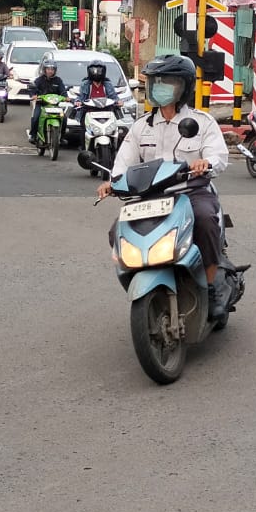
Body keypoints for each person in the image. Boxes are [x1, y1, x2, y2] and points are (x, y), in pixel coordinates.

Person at [98, 54, 232, 320]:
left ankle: (211, 286)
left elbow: (218, 156)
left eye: (167, 81)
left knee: (206, 221)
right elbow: (123, 164)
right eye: (156, 81)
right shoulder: (141, 127)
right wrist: (112, 183)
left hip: (190, 191)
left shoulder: (202, 122)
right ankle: (141, 277)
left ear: (184, 86)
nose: (159, 87)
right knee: (117, 232)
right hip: (149, 196)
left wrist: (205, 162)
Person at [26, 57, 69, 143]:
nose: (50, 71)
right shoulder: (39, 80)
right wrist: (33, 95)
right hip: (41, 104)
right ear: (44, 70)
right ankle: (33, 135)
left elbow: (63, 91)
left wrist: (66, 97)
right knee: (36, 117)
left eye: (52, 69)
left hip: (54, 105)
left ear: (55, 70)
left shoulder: (58, 80)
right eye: (48, 69)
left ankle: (61, 137)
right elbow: (33, 89)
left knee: (64, 118)